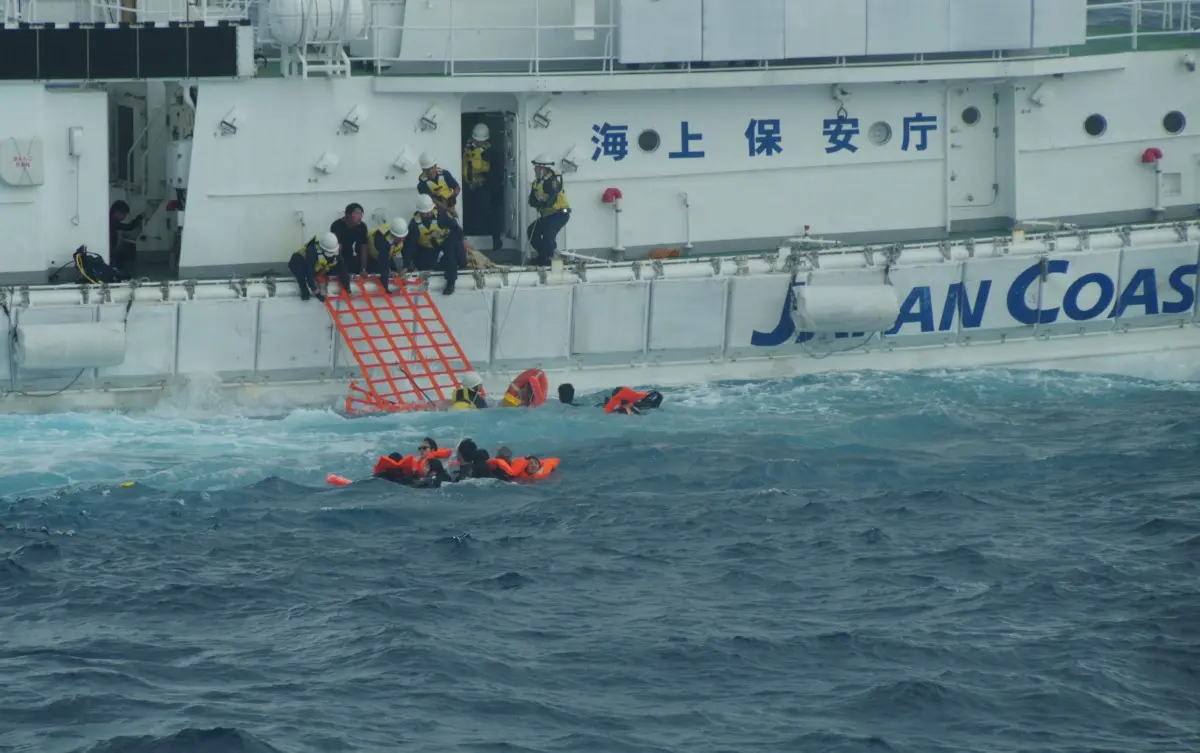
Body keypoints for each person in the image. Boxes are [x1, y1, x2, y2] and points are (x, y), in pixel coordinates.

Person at [402, 194, 466, 296]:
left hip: (445, 243)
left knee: (451, 251)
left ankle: (451, 281)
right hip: (427, 249)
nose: (427, 214)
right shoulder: (414, 224)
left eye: (429, 211)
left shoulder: (442, 215)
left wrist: (460, 243)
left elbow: (457, 230)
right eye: (424, 212)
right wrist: (406, 265)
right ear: (420, 212)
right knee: (425, 264)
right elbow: (410, 246)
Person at [462, 123, 503, 252]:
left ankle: (496, 240)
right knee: (470, 211)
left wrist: (485, 172)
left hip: (486, 185)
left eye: (482, 140)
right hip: (469, 185)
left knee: (489, 212)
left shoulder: (492, 151)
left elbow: (497, 170)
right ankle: (469, 236)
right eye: (477, 140)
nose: (480, 143)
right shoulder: (465, 147)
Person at [526, 154, 570, 266]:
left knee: (548, 236)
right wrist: (538, 204)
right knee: (532, 232)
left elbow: (553, 198)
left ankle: (550, 258)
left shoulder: (552, 181)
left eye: (536, 167)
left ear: (543, 168)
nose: (534, 169)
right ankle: (544, 256)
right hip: (547, 216)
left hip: (558, 214)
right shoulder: (537, 182)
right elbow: (531, 200)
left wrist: (542, 204)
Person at [288, 232, 349, 302]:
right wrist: (316, 292)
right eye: (329, 252)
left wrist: (347, 286)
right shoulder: (312, 251)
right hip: (301, 262)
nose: (331, 255)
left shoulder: (337, 252)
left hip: (318, 267)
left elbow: (342, 268)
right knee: (300, 270)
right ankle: (303, 288)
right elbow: (309, 273)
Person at [366, 217, 408, 294]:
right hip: (371, 254)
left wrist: (406, 266)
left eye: (403, 238)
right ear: (393, 234)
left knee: (394, 270)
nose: (401, 240)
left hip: (389, 254)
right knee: (378, 271)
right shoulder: (382, 240)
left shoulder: (402, 232)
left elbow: (407, 250)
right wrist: (385, 287)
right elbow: (383, 263)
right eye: (399, 238)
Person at [417, 152, 461, 218]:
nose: (430, 171)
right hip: (435, 210)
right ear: (423, 170)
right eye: (427, 170)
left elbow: (457, 188)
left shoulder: (445, 174)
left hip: (450, 204)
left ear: (435, 165)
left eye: (432, 168)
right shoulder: (422, 184)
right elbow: (430, 200)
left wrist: (453, 197)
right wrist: (446, 209)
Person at [330, 203, 370, 276]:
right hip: (338, 251)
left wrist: (363, 269)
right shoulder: (337, 226)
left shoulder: (361, 226)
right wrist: (343, 270)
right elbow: (337, 248)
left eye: (361, 214)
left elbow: (363, 247)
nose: (359, 217)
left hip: (351, 251)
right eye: (357, 214)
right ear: (348, 215)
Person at [109, 200, 144, 272]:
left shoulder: (110, 220)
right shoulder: (111, 221)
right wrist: (139, 217)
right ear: (117, 212)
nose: (124, 217)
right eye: (124, 215)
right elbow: (129, 227)